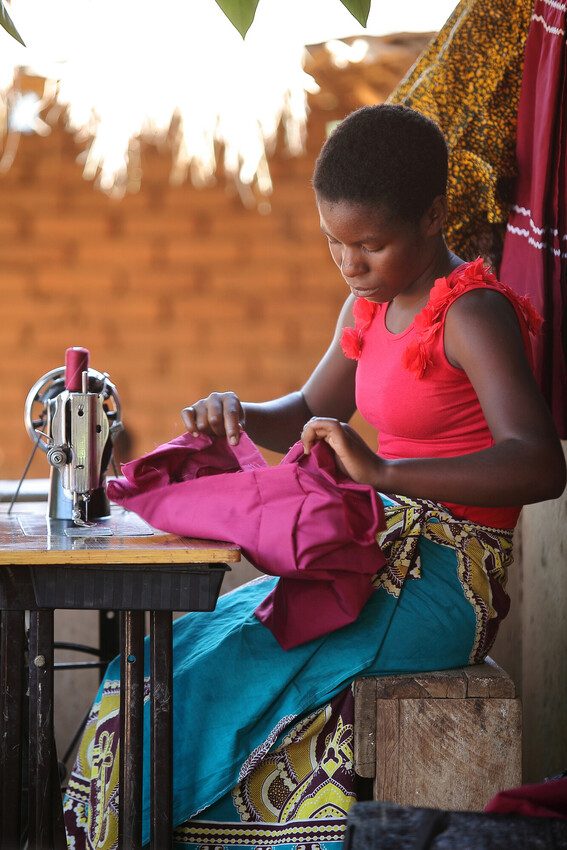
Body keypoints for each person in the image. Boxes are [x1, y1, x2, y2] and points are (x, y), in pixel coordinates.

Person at [64, 104, 566, 850]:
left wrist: (387, 469)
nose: (350, 264)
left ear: (432, 215)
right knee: (167, 662)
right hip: (375, 555)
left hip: (443, 583)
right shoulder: (368, 307)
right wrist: (235, 412)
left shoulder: (471, 313)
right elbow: (306, 406)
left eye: (370, 244)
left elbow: (538, 461)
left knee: (219, 680)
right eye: (334, 243)